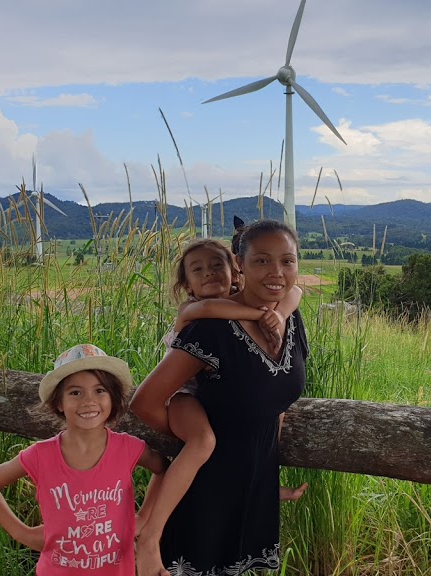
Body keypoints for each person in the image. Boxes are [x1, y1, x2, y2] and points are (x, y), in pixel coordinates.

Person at [131, 219, 309, 576]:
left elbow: (273, 406)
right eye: (262, 260)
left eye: (287, 261)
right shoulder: (209, 327)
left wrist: (264, 479)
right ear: (241, 263)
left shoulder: (289, 317)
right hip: (203, 494)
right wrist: (196, 439)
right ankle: (148, 536)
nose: (276, 271)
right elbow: (144, 403)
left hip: (249, 490)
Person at [0, 344, 168, 575]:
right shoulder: (40, 455)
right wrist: (21, 533)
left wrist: (144, 517)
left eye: (100, 391)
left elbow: (164, 469)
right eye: (75, 392)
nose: (88, 401)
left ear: (113, 398)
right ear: (59, 402)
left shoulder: (128, 448)